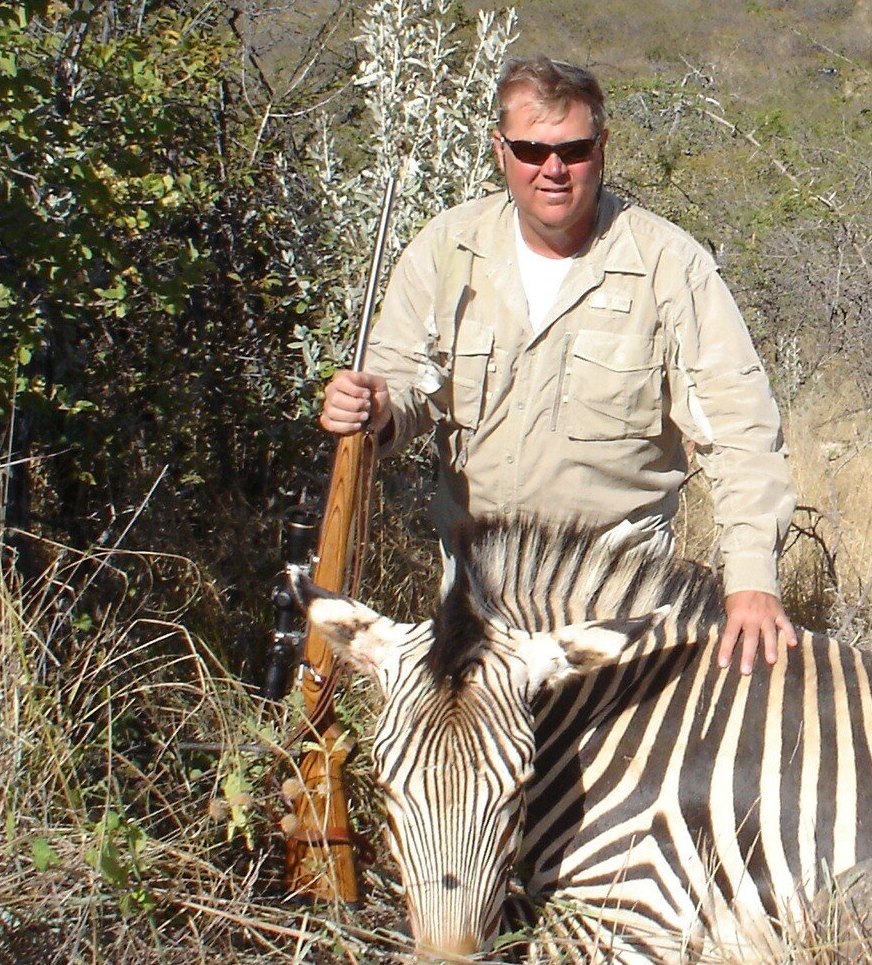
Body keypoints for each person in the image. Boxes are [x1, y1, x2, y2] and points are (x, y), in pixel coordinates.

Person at [320, 57, 799, 673]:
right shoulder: (446, 249)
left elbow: (741, 433)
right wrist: (373, 408)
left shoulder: (670, 264)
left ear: (601, 148)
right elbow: (399, 388)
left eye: (573, 150)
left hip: (615, 602)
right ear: (500, 150)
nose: (552, 169)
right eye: (530, 149)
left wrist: (752, 580)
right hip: (475, 597)